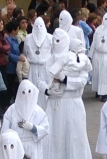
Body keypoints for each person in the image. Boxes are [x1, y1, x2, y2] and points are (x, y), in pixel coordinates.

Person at [38, 28, 92, 159]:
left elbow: (82, 81)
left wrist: (65, 80)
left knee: (74, 135)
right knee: (55, 136)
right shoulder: (48, 61)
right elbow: (40, 80)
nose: (55, 44)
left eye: (58, 41)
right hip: (54, 105)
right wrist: (47, 90)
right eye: (53, 41)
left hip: (73, 103)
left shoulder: (78, 61)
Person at [1, 80, 49, 159]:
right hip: (15, 147)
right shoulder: (12, 110)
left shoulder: (38, 111)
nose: (26, 95)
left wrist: (33, 128)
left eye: (29, 92)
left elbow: (45, 129)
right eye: (23, 92)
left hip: (33, 145)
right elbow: (4, 131)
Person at [23, 17, 52, 110]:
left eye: (41, 26)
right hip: (33, 67)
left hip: (46, 67)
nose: (39, 28)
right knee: (32, 90)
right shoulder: (28, 38)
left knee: (44, 90)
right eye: (36, 26)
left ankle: (46, 110)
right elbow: (25, 51)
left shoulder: (50, 38)